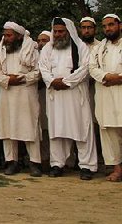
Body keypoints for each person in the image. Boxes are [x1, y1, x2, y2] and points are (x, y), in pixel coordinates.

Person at [39, 17, 98, 180]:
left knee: (82, 130)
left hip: (75, 96)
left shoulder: (81, 47)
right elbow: (43, 68)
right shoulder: (47, 49)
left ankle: (87, 166)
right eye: (55, 31)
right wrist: (52, 81)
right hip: (56, 97)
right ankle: (57, 164)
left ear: (69, 31)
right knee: (57, 131)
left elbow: (85, 68)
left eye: (61, 31)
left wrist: (66, 82)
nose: (58, 34)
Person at [0, 22, 42, 176]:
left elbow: (39, 71)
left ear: (19, 36)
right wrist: (8, 80)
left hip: (26, 94)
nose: (6, 38)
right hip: (7, 94)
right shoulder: (1, 50)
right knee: (8, 129)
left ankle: (34, 163)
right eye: (5, 35)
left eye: (9, 35)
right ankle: (12, 162)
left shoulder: (31, 50)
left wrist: (21, 78)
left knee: (29, 128)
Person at [89, 14, 122, 181]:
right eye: (105, 26)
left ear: (119, 25)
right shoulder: (99, 48)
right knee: (110, 134)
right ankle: (117, 169)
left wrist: (119, 78)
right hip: (105, 95)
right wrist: (106, 77)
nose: (108, 28)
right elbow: (92, 68)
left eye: (111, 25)